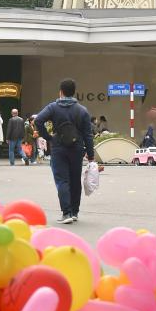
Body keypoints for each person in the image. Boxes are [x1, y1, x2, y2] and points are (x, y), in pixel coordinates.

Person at [35, 78, 95, 224]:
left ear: (60, 92)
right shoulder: (82, 110)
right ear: (74, 92)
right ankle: (75, 212)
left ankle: (66, 213)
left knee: (62, 180)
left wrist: (48, 137)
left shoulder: (53, 107)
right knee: (75, 180)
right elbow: (88, 134)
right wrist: (90, 154)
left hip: (59, 148)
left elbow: (38, 121)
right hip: (77, 149)